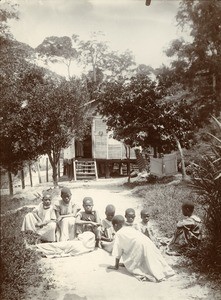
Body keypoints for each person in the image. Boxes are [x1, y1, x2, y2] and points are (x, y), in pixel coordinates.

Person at [108, 215, 175, 282]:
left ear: (116, 225)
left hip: (139, 246)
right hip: (147, 242)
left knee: (140, 266)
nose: (114, 229)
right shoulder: (129, 228)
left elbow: (118, 251)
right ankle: (163, 272)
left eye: (113, 226)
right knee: (153, 260)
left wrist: (116, 266)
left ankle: (154, 274)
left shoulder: (119, 233)